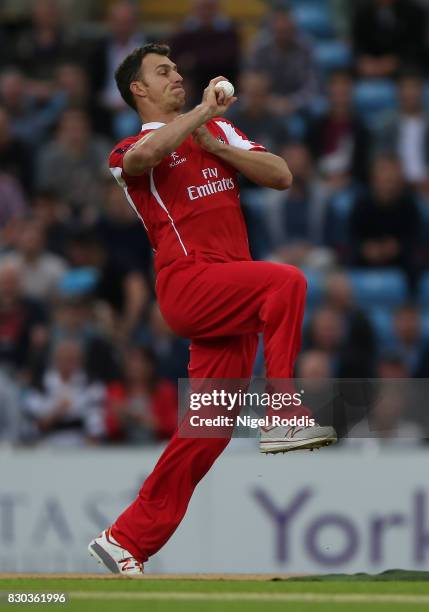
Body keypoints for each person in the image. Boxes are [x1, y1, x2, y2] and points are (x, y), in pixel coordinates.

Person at [87, 42, 336, 576]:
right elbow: (142, 160)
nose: (176, 76)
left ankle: (124, 539)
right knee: (287, 282)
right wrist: (202, 114)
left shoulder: (218, 132)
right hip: (190, 285)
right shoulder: (129, 145)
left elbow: (281, 174)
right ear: (139, 90)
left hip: (230, 292)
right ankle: (283, 414)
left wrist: (215, 142)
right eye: (163, 72)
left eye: (177, 68)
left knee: (210, 427)